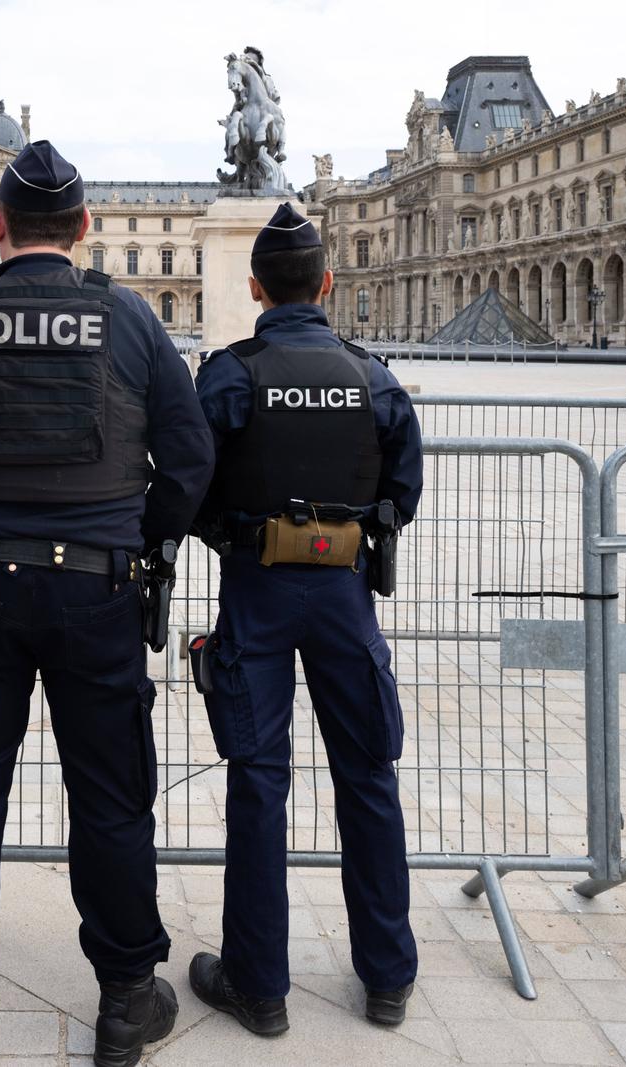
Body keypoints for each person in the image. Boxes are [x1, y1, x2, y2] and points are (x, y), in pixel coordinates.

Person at [0, 141, 216, 1067]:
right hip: (99, 589)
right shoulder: (133, 325)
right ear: (84, 230)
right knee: (111, 800)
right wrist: (140, 540)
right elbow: (189, 460)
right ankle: (125, 1001)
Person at [188, 202, 423, 1035]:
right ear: (328, 283)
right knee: (368, 775)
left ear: (255, 287)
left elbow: (190, 474)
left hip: (256, 584)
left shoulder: (230, 372)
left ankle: (258, 984)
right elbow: (404, 486)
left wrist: (231, 535)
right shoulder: (372, 372)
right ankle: (388, 975)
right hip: (343, 591)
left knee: (259, 783)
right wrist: (361, 533)